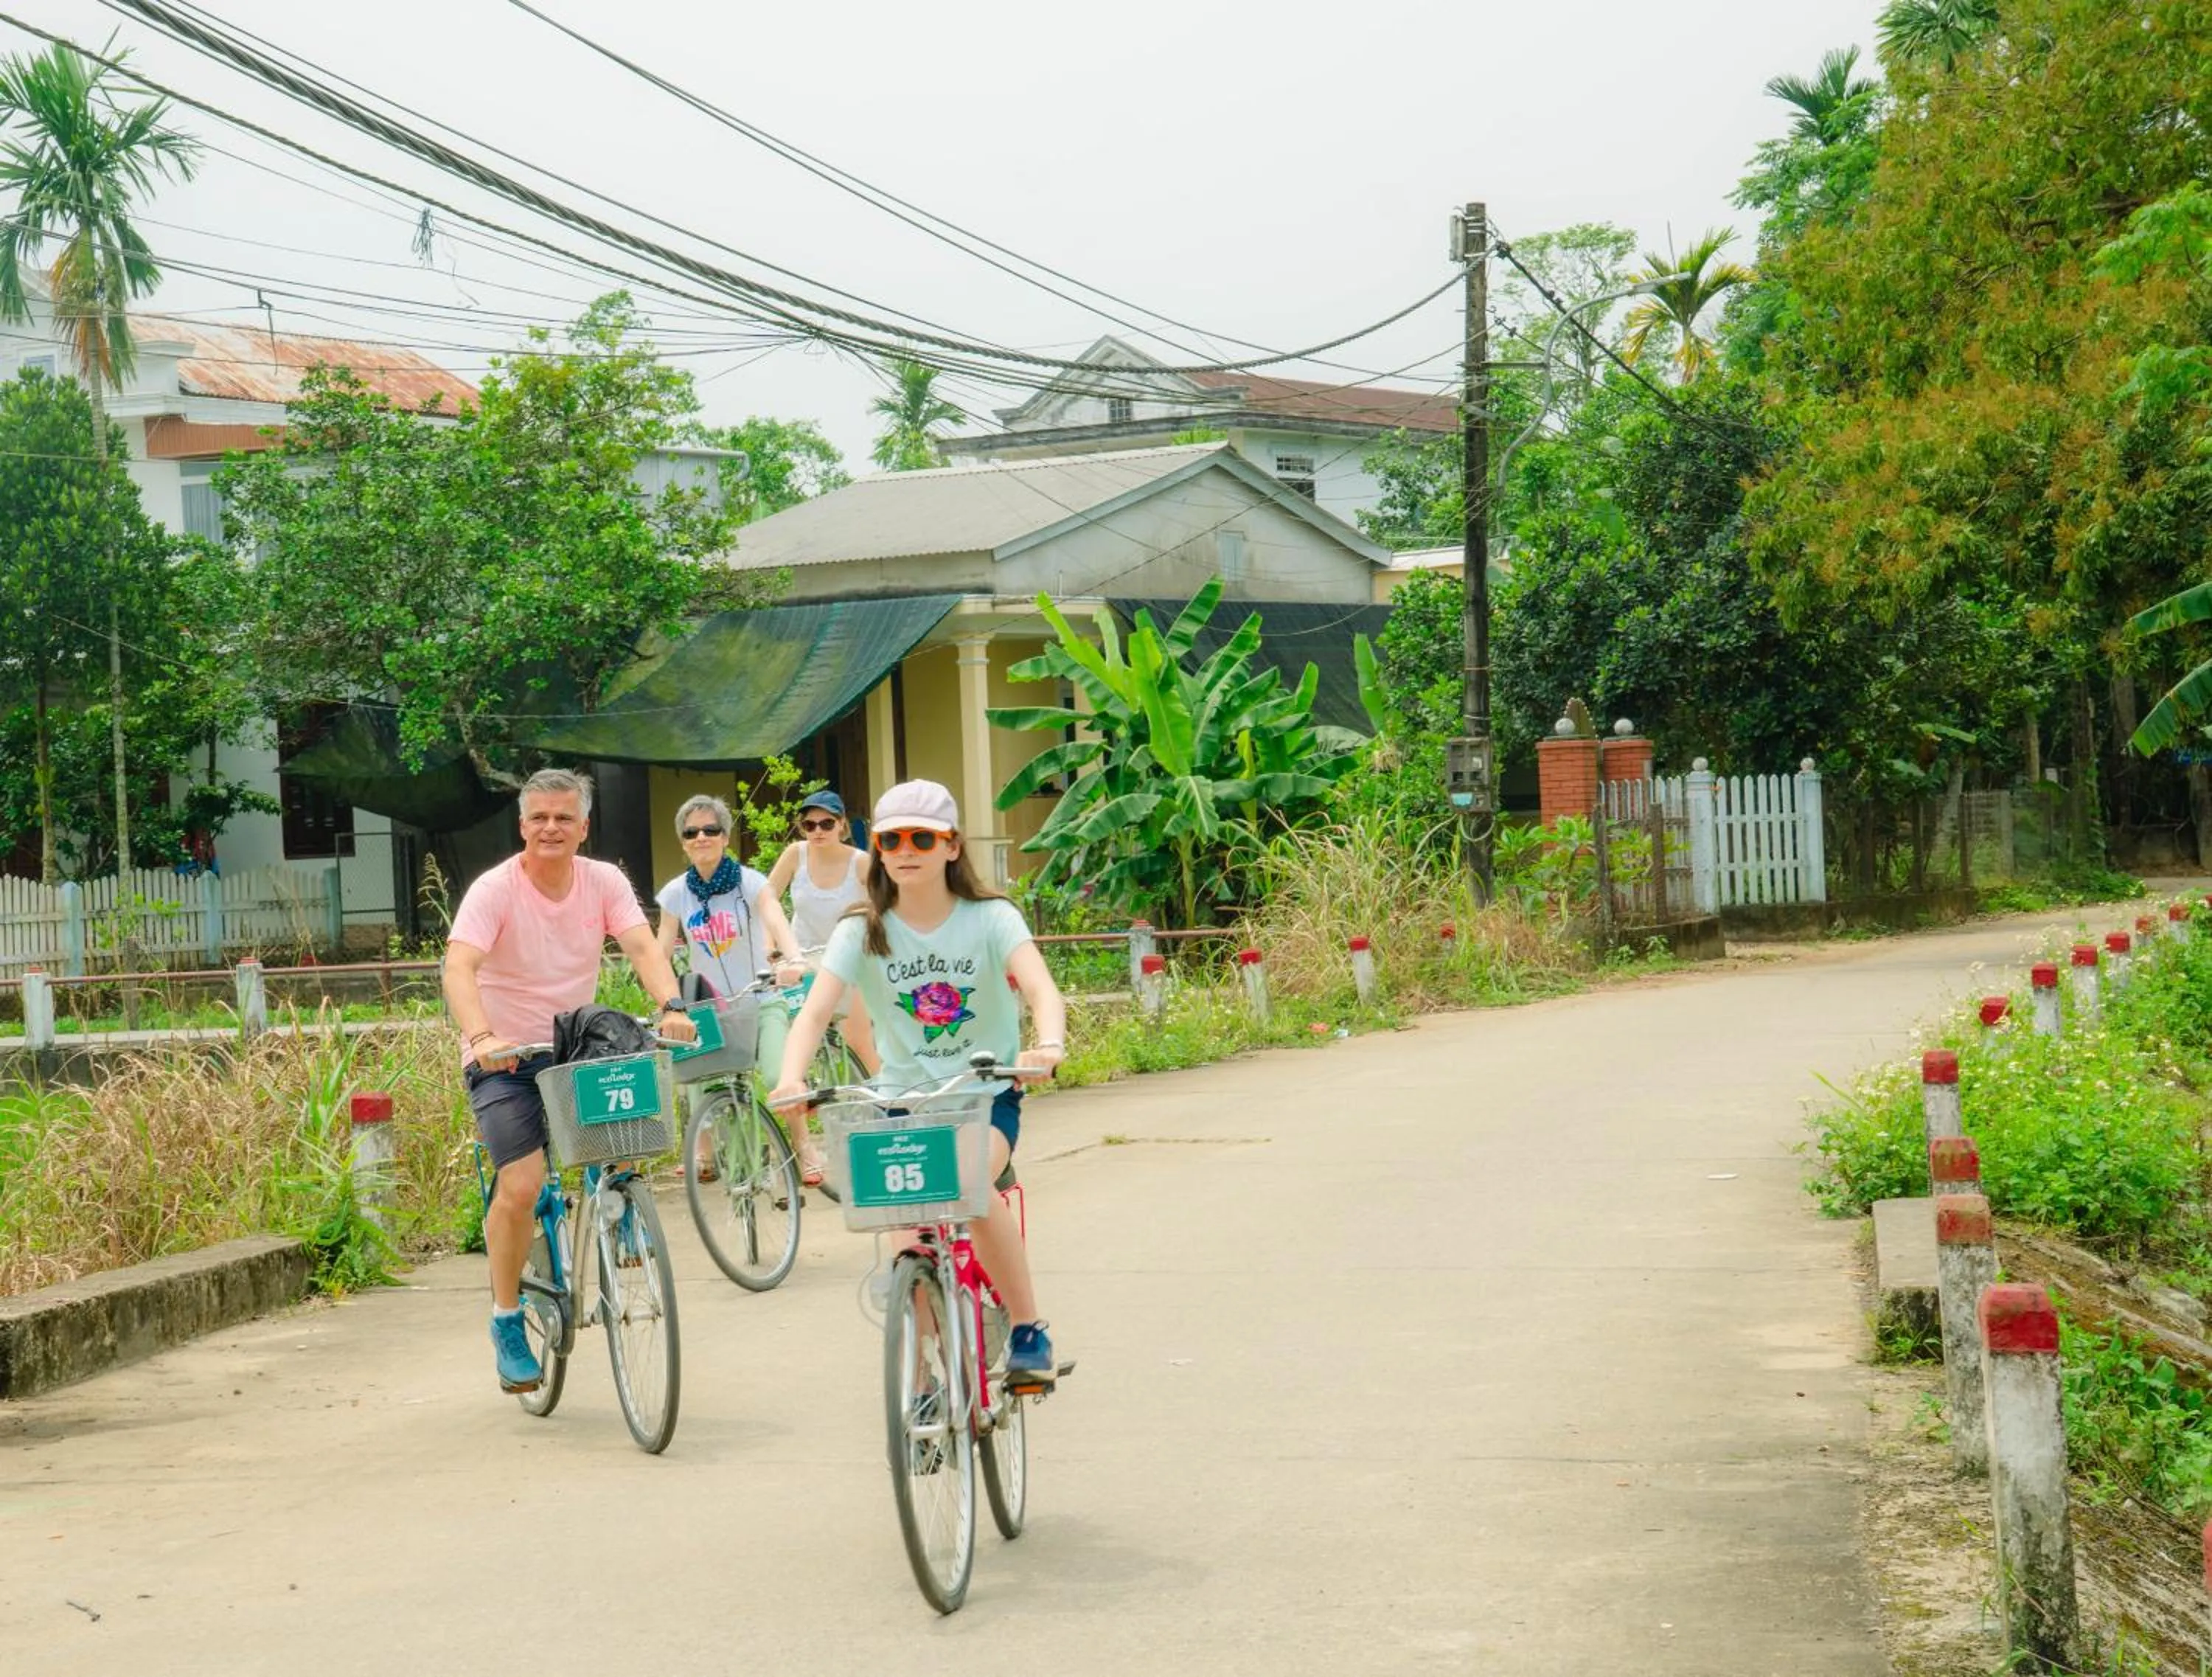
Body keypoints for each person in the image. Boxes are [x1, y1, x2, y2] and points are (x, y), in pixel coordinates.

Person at [771, 780, 1065, 1386]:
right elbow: (816, 1010)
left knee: (967, 1185)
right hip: (902, 1104)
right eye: (892, 839)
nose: (906, 850)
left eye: (922, 838)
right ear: (877, 848)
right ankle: (925, 1386)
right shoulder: (863, 928)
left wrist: (1048, 1045)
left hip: (985, 1097)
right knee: (905, 1239)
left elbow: (1040, 988)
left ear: (951, 847)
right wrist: (790, 1077)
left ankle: (1029, 1326)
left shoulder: (991, 918)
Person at [444, 768, 698, 1395]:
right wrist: (482, 1038)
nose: (550, 828)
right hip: (503, 1059)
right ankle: (506, 1319)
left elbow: (640, 947)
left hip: (573, 1046)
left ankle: (621, 1203)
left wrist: (673, 1004)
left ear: (584, 828)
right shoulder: (494, 890)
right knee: (523, 1184)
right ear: (523, 825)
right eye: (539, 818)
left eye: (564, 818)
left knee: (630, 1105)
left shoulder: (603, 881)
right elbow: (460, 967)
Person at [653, 794, 818, 1181]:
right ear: (683, 842)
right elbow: (660, 949)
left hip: (759, 1000)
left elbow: (775, 919)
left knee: (781, 1078)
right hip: (712, 1008)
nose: (701, 838)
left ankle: (804, 1147)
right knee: (698, 1073)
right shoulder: (677, 892)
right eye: (691, 832)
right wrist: (664, 997)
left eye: (711, 830)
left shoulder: (749, 882)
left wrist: (793, 958)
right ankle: (704, 1153)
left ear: (726, 837)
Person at [762, 788, 880, 1074]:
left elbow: (883, 909)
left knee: (858, 1042)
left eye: (827, 823)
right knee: (798, 1047)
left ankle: (888, 1107)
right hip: (801, 959)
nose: (818, 831)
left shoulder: (861, 861)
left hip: (850, 960)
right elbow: (767, 899)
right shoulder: (795, 854)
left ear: (841, 824)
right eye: (809, 825)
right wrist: (770, 948)